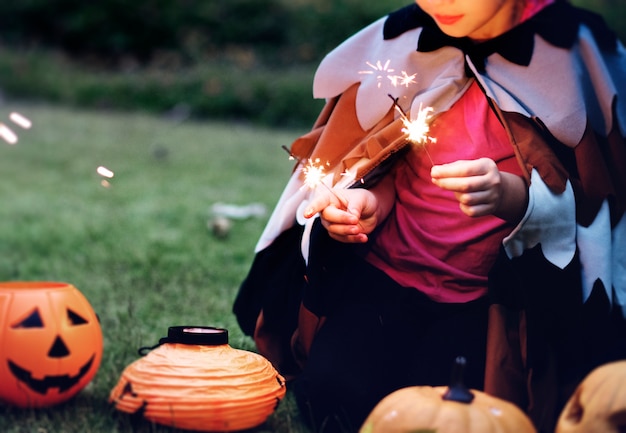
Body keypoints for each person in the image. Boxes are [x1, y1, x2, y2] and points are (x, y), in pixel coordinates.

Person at [233, 1, 626, 432]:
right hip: (384, 280)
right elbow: (386, 162)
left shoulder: (571, 58)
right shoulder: (404, 49)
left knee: (454, 406)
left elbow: (584, 202)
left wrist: (507, 193)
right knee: (332, 396)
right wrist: (367, 205)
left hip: (479, 302)